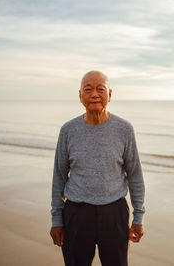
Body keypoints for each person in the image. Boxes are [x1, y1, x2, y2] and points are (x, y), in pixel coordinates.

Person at [49, 71, 145, 266]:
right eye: (88, 89)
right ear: (80, 96)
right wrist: (56, 219)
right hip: (76, 213)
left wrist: (138, 215)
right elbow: (59, 176)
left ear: (110, 95)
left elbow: (134, 174)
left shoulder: (124, 129)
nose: (94, 94)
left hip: (114, 213)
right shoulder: (68, 130)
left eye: (100, 89)